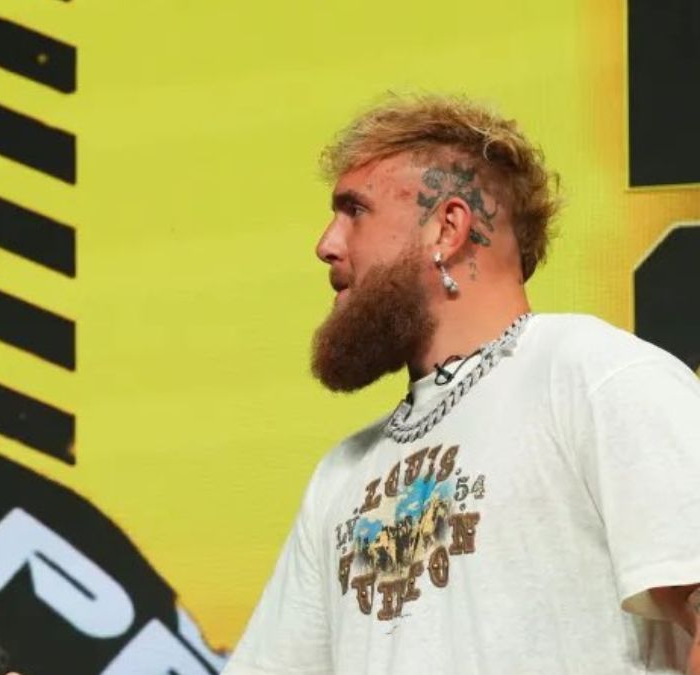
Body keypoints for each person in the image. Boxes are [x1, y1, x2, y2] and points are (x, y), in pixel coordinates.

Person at [222, 94, 700, 674]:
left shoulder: (592, 376)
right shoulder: (342, 474)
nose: (327, 244)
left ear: (447, 229)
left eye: (355, 211)